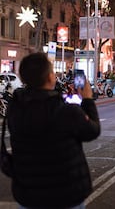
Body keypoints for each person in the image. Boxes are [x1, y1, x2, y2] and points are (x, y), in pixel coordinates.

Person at [6, 52, 100, 209]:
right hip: (65, 195)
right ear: (50, 78)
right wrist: (88, 99)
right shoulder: (66, 111)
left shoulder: (15, 109)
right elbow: (92, 130)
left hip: (28, 194)